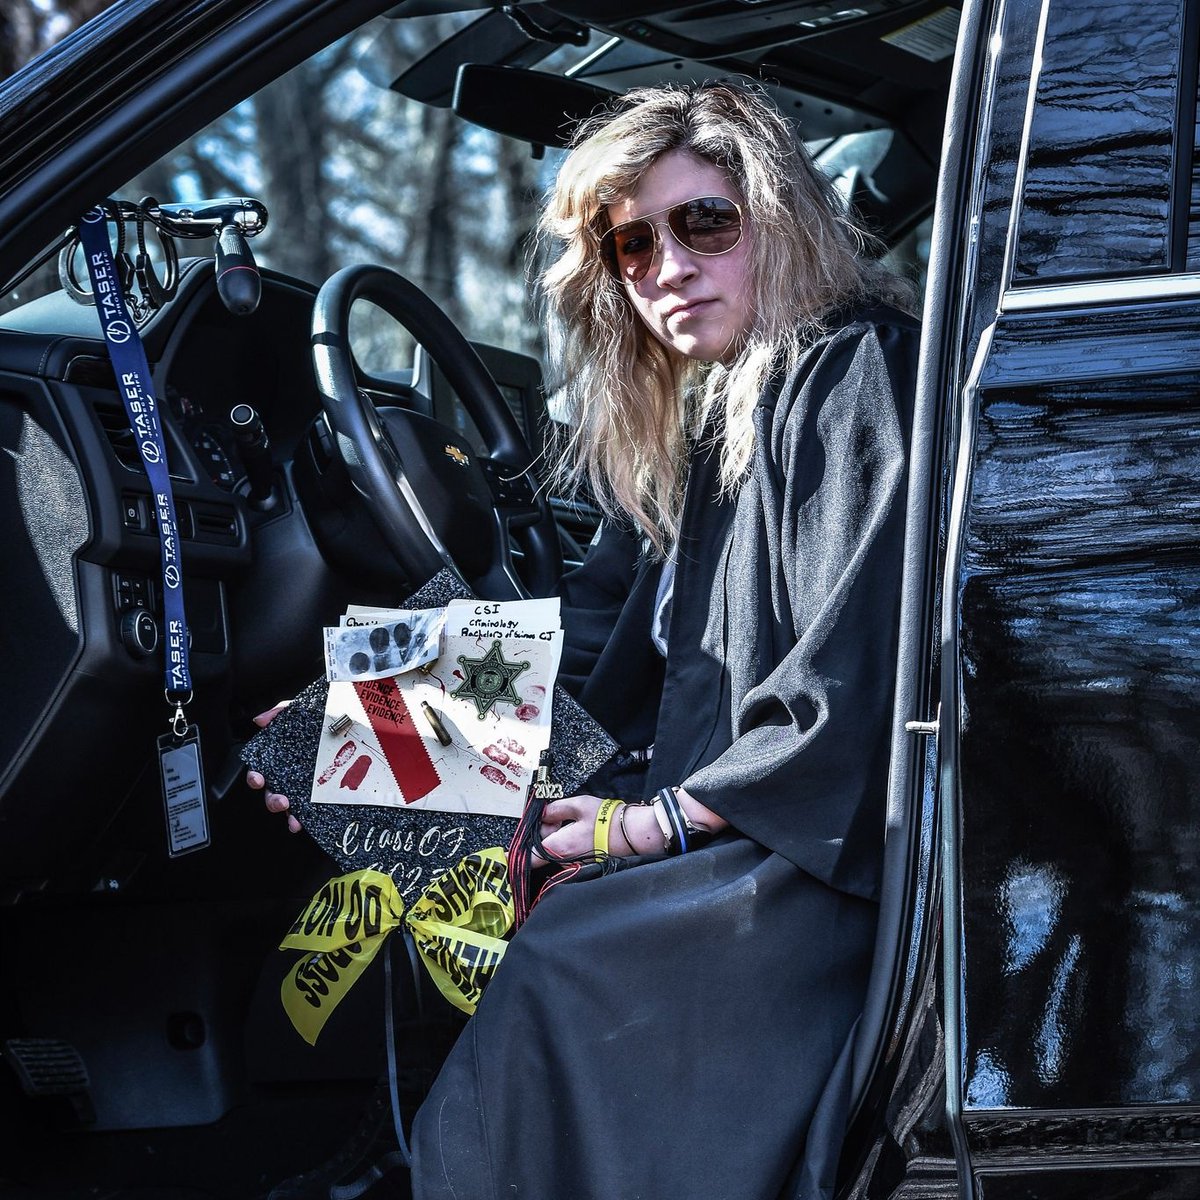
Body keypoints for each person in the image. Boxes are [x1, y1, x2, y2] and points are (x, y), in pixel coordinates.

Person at [250, 80, 920, 1198]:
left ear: (782, 219)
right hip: (738, 835)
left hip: (818, 872)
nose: (669, 266)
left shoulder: (856, 372)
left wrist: (659, 823)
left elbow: (852, 681)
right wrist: (366, 732)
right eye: (632, 245)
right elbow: (598, 649)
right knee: (390, 865)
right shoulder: (707, 424)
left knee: (562, 964)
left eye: (705, 222)